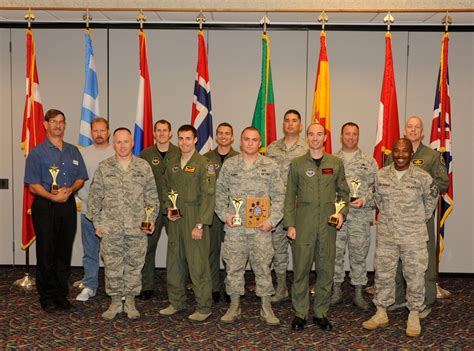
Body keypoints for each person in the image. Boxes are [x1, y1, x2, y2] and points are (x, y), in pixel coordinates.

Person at [362, 138, 439, 337]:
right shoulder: (381, 176)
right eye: (397, 151)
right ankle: (381, 312)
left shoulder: (422, 177)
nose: (401, 155)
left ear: (411, 153)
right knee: (384, 273)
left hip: (413, 235)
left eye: (405, 151)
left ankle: (414, 313)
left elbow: (431, 202)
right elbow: (377, 200)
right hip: (387, 234)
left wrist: (414, 221)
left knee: (415, 274)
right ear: (392, 153)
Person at [87, 128, 159, 320]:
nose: (122, 146)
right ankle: (116, 302)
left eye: (126, 142)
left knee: (135, 265)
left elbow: (152, 198)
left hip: (137, 228)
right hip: (111, 228)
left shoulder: (143, 167)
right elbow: (94, 198)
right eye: (118, 142)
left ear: (132, 143)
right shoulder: (104, 167)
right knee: (112, 266)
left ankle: (131, 301)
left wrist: (150, 220)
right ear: (113, 144)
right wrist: (97, 223)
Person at [216, 127, 285, 325]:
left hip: (260, 229)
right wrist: (225, 215)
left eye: (254, 140)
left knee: (263, 267)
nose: (250, 143)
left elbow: (280, 196)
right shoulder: (230, 165)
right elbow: (220, 194)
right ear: (241, 142)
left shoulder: (270, 166)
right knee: (233, 267)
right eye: (246, 139)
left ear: (259, 143)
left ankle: (266, 307)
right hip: (235, 228)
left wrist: (271, 221)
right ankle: (234, 306)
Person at [284, 123, 350, 331]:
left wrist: (341, 213)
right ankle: (300, 313)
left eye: (319, 134)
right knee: (301, 271)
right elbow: (289, 197)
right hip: (303, 224)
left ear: (325, 137)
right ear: (307, 137)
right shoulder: (297, 164)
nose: (315, 138)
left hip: (327, 226)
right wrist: (290, 224)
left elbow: (344, 193)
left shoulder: (336, 163)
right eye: (311, 134)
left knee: (325, 270)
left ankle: (321, 313)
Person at [24, 109, 88, 313]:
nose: (58, 126)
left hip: (67, 204)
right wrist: (53, 196)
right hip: (45, 205)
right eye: (54, 122)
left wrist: (71, 189)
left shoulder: (73, 151)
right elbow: (32, 185)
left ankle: (61, 294)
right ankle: (47, 296)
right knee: (46, 251)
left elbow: (81, 177)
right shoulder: (37, 152)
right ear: (45, 124)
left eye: (61, 122)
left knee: (64, 250)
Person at [387, 116, 449, 318]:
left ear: (422, 132)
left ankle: (424, 301)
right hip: (396, 219)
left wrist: (420, 196)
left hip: (421, 218)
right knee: (396, 259)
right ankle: (397, 298)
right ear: (405, 130)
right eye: (409, 127)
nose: (413, 130)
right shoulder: (393, 153)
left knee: (424, 261)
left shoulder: (431, 156)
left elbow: (442, 183)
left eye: (417, 127)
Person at [159, 124, 216, 322]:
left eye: (188, 139)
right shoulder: (173, 163)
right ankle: (176, 302)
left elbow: (209, 197)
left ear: (195, 140)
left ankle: (204, 306)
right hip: (176, 219)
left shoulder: (204, 164)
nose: (184, 142)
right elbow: (165, 188)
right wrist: (167, 208)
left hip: (195, 217)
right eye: (181, 139)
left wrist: (200, 224)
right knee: (174, 262)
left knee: (197, 264)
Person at [330, 122, 378, 311]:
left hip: (360, 216)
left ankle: (358, 292)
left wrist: (365, 199)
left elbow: (379, 190)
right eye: (347, 134)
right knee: (335, 254)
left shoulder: (369, 161)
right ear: (341, 136)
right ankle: (336, 291)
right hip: (337, 217)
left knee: (359, 255)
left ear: (358, 136)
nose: (351, 137)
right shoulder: (331, 159)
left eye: (354, 134)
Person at [265, 109, 308, 303]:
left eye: (294, 121)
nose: (290, 124)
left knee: (300, 249)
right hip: (276, 208)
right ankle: (281, 287)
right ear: (283, 124)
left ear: (300, 125)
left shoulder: (307, 148)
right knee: (278, 248)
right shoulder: (272, 148)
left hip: (300, 208)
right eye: (287, 120)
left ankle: (300, 289)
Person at [137, 120, 180, 301]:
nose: (162, 134)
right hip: (151, 209)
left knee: (178, 248)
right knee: (147, 247)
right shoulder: (146, 154)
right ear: (154, 133)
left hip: (174, 207)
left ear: (170, 133)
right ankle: (146, 286)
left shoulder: (179, 152)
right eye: (158, 130)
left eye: (165, 130)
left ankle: (178, 285)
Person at [75, 117, 114, 302]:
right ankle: (89, 286)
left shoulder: (117, 151)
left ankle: (115, 288)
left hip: (113, 213)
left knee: (113, 252)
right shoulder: (82, 154)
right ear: (91, 133)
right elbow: (79, 181)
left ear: (108, 132)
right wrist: (88, 201)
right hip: (89, 212)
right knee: (90, 252)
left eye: (102, 130)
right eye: (95, 131)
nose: (99, 134)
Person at [204, 122, 239, 302]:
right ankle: (213, 287)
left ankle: (229, 287)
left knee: (233, 253)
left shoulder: (239, 159)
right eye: (220, 133)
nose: (224, 136)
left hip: (235, 212)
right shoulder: (205, 158)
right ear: (216, 137)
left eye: (227, 133)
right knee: (212, 251)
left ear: (232, 137)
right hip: (212, 212)